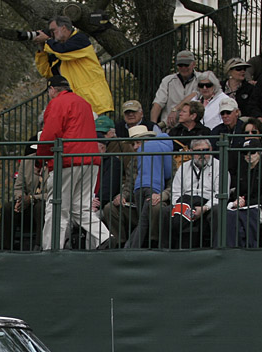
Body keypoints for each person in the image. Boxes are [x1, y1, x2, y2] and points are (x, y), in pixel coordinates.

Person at [35, 75, 110, 250]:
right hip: (91, 159)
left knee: (56, 206)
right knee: (81, 206)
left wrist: (40, 161)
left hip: (68, 159)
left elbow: (49, 135)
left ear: (52, 89)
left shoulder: (57, 103)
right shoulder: (84, 103)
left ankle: (51, 249)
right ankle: (103, 237)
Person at [32, 15, 114, 116]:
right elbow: (46, 72)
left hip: (95, 103)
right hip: (75, 107)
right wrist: (41, 50)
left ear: (64, 28)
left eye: (53, 30)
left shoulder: (80, 40)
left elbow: (62, 51)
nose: (52, 34)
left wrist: (47, 40)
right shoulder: (57, 51)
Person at [110, 124, 174, 249]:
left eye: (138, 143)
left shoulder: (164, 155)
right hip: (137, 200)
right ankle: (118, 243)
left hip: (159, 199)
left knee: (153, 208)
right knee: (110, 208)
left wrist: (163, 195)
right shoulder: (134, 161)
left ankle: (153, 243)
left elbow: (173, 182)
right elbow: (128, 185)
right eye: (133, 144)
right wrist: (123, 195)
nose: (135, 147)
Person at [161, 137, 221, 248]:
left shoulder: (219, 167)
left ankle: (216, 248)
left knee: (217, 211)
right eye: (198, 152)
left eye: (206, 151)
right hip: (185, 202)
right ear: (191, 152)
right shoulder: (184, 167)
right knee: (166, 211)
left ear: (211, 149)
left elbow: (219, 194)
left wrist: (205, 208)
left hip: (208, 203)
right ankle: (166, 249)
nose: (202, 155)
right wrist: (180, 207)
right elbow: (175, 192)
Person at [220, 138, 262, 247]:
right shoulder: (242, 170)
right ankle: (234, 245)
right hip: (243, 208)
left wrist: (246, 202)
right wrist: (238, 200)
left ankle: (246, 245)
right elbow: (237, 191)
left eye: (252, 152)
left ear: (260, 153)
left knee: (238, 217)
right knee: (230, 216)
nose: (248, 155)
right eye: (245, 153)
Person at [151, 50, 199, 130]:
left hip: (192, 127)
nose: (183, 68)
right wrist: (153, 125)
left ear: (193, 64)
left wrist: (175, 109)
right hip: (169, 126)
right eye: (180, 65)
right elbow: (158, 103)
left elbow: (194, 95)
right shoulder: (167, 80)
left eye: (186, 65)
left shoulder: (201, 79)